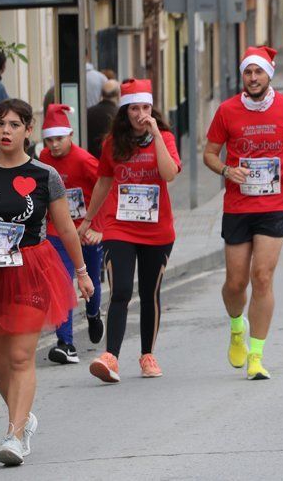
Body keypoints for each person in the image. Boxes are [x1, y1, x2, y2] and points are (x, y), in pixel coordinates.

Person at [0, 98, 94, 465]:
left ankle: (14, 435)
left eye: (15, 125)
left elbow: (65, 228)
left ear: (28, 131)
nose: (6, 131)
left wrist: (82, 273)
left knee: (20, 356)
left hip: (31, 267)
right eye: (1, 124)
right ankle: (25, 417)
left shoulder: (46, 176)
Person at [204, 46, 283, 380]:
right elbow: (209, 153)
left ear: (269, 74)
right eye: (248, 72)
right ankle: (237, 327)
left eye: (258, 72)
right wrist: (225, 171)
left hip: (274, 204)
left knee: (262, 276)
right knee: (235, 283)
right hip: (238, 205)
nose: (252, 78)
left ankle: (256, 356)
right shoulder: (227, 110)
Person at [78, 79, 181, 383]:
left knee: (150, 292)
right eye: (134, 108)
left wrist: (157, 137)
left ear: (152, 109)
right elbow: (103, 182)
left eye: (145, 108)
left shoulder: (166, 138)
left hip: (157, 230)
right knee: (121, 289)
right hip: (120, 226)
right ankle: (110, 357)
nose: (140, 114)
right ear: (124, 111)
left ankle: (147, 354)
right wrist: (87, 221)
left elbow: (168, 173)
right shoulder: (112, 143)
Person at [38, 104, 105, 365]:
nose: (54, 145)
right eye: (49, 140)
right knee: (61, 283)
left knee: (89, 282)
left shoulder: (85, 161)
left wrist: (98, 226)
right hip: (57, 232)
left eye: (59, 139)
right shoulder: (43, 159)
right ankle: (65, 343)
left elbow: (106, 188)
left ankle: (93, 313)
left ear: (71, 135)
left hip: (85, 231)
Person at [87, 79, 120, 157]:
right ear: (118, 95)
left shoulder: (88, 112)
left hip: (90, 158)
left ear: (101, 94)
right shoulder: (119, 114)